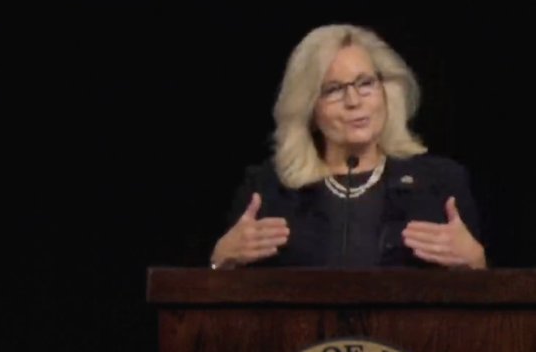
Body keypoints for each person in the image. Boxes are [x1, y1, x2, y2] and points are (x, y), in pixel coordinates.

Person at [209, 24, 488, 270]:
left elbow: (484, 308)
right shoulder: (268, 190)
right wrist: (219, 261)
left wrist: (477, 264)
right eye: (333, 89)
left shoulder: (440, 184)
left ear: (386, 91)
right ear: (309, 108)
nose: (354, 101)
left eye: (365, 83)